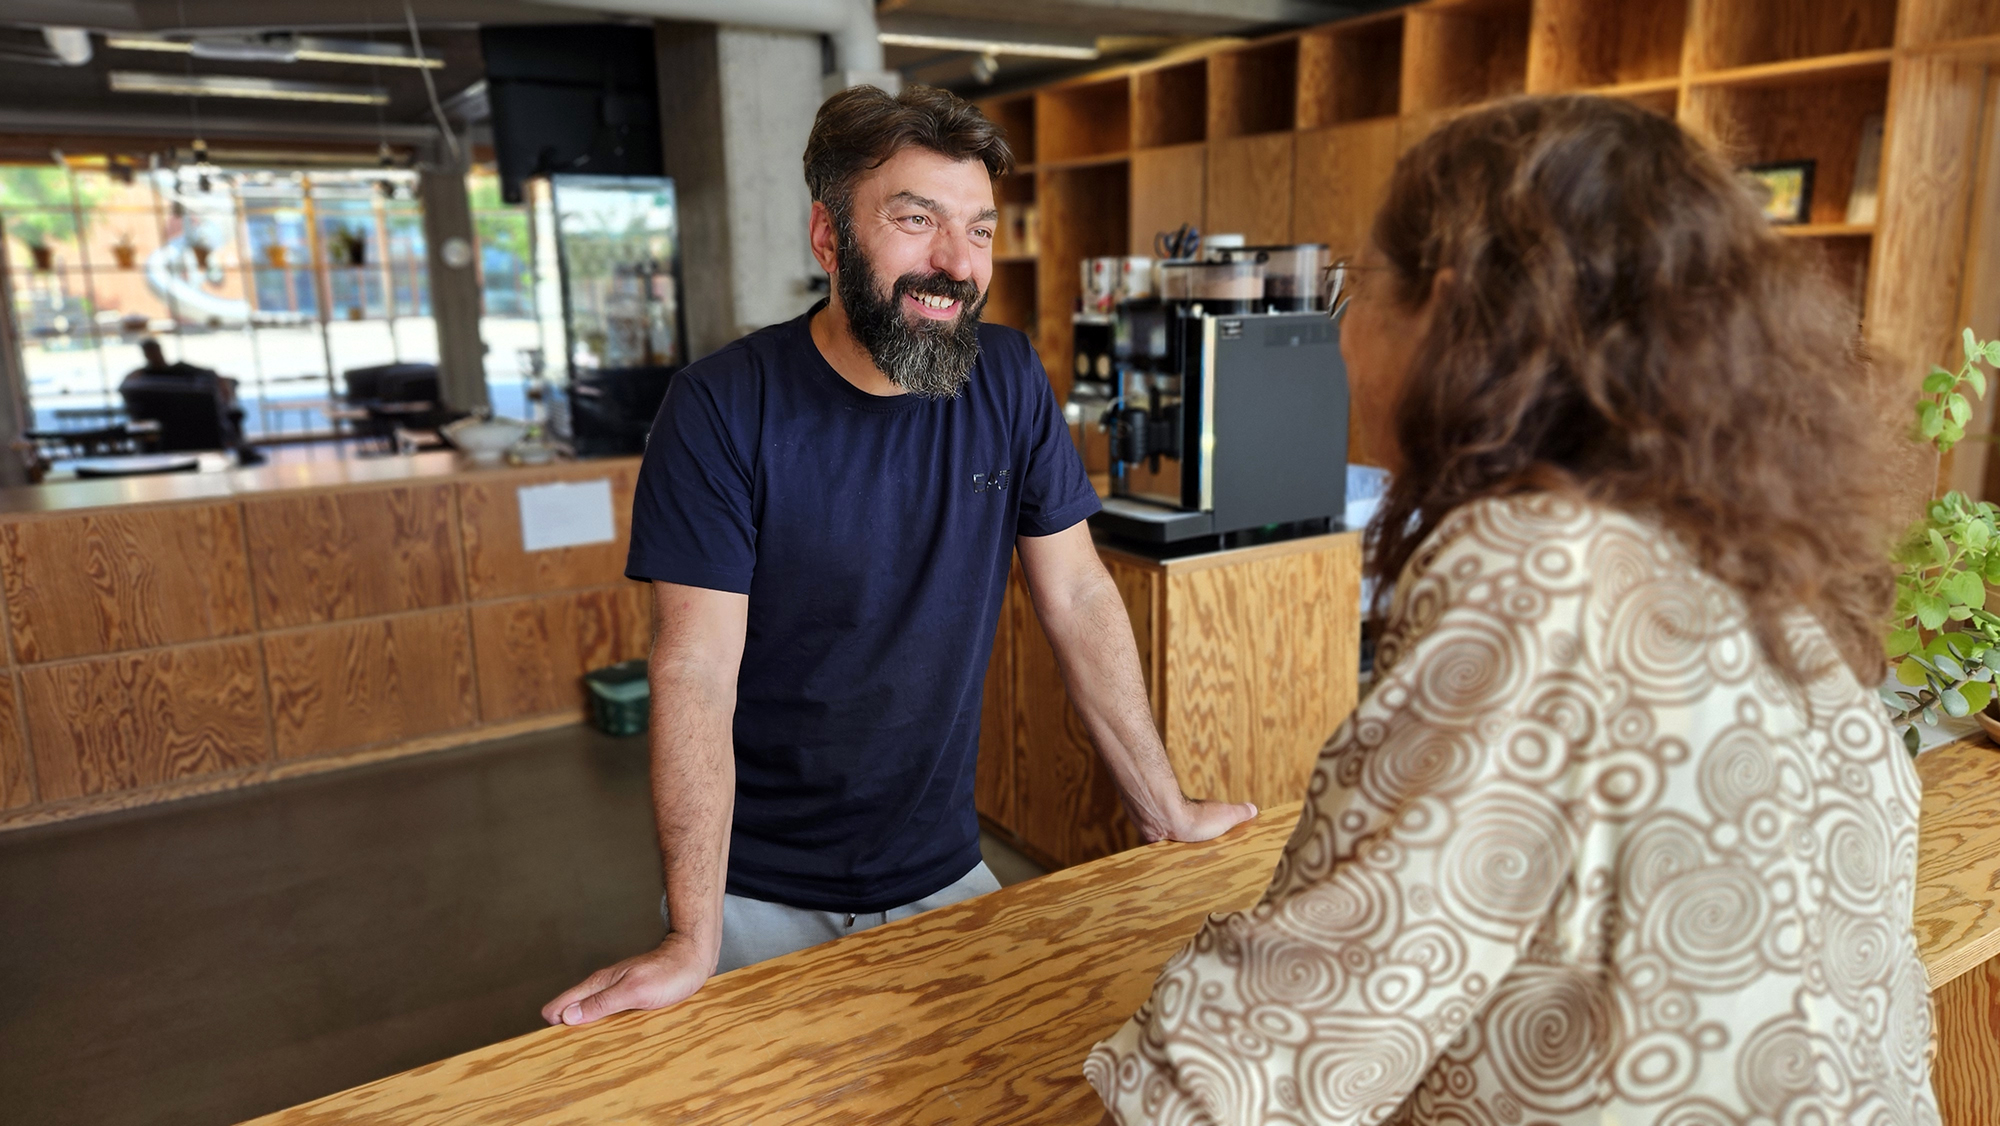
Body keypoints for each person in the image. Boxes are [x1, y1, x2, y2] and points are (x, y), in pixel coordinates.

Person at [1086, 95, 1938, 1125]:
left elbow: (1299, 1026)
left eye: (1364, 289)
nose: (1342, 337)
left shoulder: (1542, 563)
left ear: (1450, 315)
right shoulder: (1768, 566)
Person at [541, 85, 1257, 1029]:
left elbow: (1080, 595)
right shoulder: (721, 408)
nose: (956, 263)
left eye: (978, 229)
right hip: (755, 892)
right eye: (917, 221)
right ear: (828, 236)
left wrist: (1164, 807)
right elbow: (696, 668)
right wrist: (691, 934)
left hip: (943, 870)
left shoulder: (1007, 377)